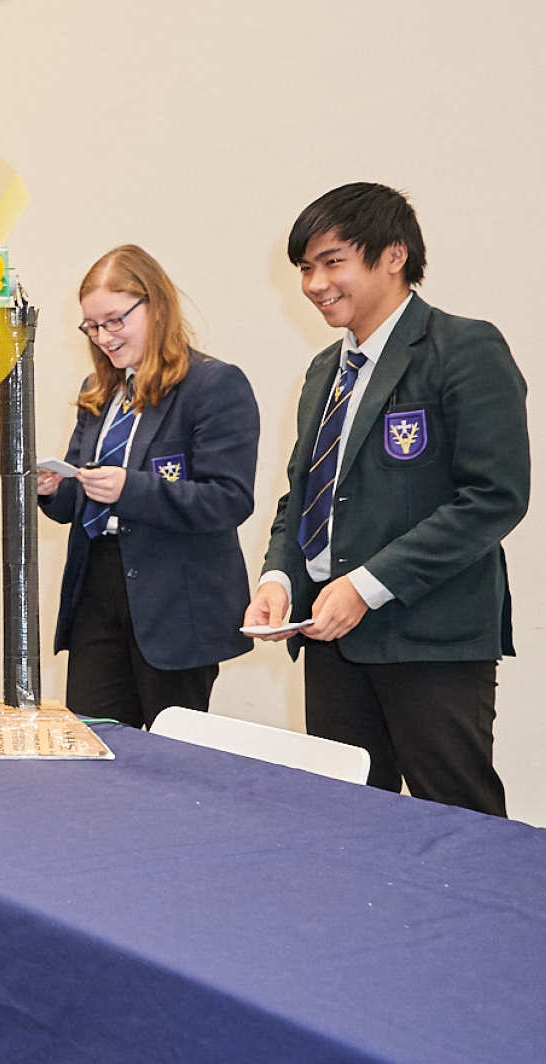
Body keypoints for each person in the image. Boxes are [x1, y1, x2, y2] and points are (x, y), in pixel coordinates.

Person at [244, 182, 529, 816]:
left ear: (394, 255)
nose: (316, 283)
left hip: (430, 638)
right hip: (330, 639)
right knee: (348, 822)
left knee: (457, 822)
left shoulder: (463, 348)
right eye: (305, 268)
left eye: (333, 261)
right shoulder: (324, 370)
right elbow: (305, 495)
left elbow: (494, 497)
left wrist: (366, 585)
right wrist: (279, 578)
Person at [35, 245, 260, 728]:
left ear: (155, 306)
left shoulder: (213, 386)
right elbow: (81, 499)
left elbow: (228, 499)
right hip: (97, 588)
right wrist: (56, 488)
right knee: (92, 748)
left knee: (169, 762)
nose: (104, 338)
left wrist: (130, 489)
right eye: (92, 327)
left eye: (115, 321)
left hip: (175, 602)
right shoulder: (100, 394)